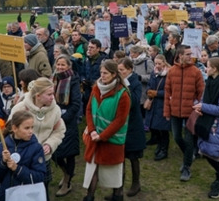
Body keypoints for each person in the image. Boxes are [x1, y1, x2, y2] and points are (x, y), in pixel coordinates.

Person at [8, 77, 65, 196]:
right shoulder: (20, 109)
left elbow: (59, 131)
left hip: (43, 159)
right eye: (49, 94)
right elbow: (10, 132)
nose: (52, 97)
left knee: (42, 190)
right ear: (38, 95)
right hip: (21, 160)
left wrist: (50, 144)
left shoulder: (56, 110)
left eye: (53, 93)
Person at [83, 60, 131, 201]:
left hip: (113, 139)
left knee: (113, 171)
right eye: (101, 73)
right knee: (93, 168)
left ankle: (117, 196)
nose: (102, 76)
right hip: (95, 137)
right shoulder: (96, 88)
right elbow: (88, 110)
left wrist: (102, 136)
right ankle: (89, 197)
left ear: (114, 74)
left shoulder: (123, 94)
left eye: (105, 73)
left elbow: (120, 120)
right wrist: (92, 130)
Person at [194, 57, 219, 199]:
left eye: (208, 66)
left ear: (215, 69)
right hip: (209, 122)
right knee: (205, 150)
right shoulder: (210, 81)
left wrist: (203, 107)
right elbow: (205, 99)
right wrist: (199, 105)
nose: (206, 69)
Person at [164, 45, 205, 182]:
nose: (190, 56)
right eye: (187, 54)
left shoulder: (196, 72)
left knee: (188, 139)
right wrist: (167, 111)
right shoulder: (172, 71)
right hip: (175, 110)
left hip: (190, 111)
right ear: (180, 55)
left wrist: (199, 108)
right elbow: (167, 92)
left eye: (190, 54)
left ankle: (187, 166)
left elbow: (201, 93)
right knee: (176, 137)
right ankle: (189, 154)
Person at [0, 110, 48, 201]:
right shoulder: (1, 147)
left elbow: (40, 177)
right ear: (14, 128)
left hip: (29, 196)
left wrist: (18, 169)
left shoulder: (36, 148)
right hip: (6, 196)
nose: (31, 131)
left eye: (32, 127)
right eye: (26, 128)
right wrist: (3, 163)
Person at [50, 54, 83, 197]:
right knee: (53, 152)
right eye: (58, 64)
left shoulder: (73, 80)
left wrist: (63, 119)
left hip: (67, 122)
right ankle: (66, 173)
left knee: (68, 153)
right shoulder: (54, 78)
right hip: (54, 119)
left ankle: (67, 182)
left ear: (69, 66)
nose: (60, 67)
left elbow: (76, 104)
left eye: (63, 65)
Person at [116, 58, 146, 196]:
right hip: (120, 123)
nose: (119, 72)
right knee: (119, 157)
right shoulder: (117, 82)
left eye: (121, 70)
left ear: (129, 69)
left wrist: (125, 84)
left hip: (133, 124)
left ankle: (136, 183)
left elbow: (133, 101)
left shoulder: (135, 82)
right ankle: (118, 187)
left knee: (133, 156)